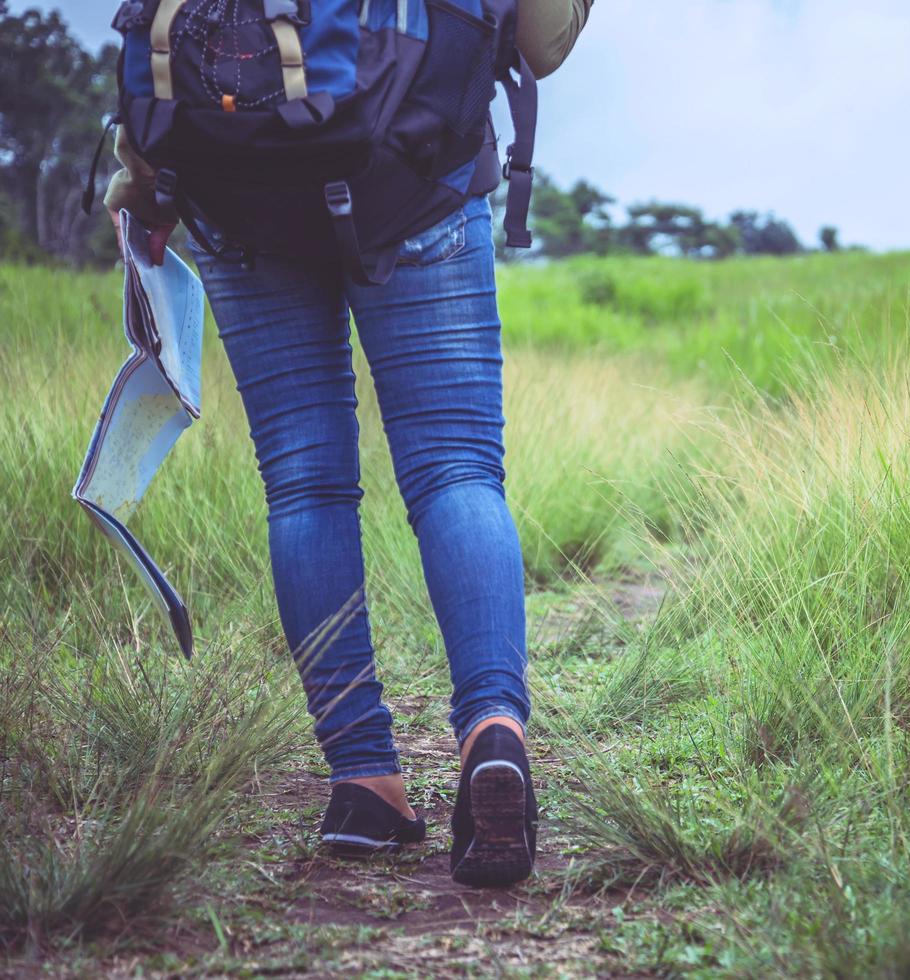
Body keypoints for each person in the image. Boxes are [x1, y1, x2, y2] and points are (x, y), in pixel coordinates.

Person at [103, 0, 594, 888]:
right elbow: (541, 42)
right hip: (415, 166)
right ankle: (493, 730)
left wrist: (144, 183)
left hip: (234, 183)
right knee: (455, 468)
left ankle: (363, 781)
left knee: (303, 482)